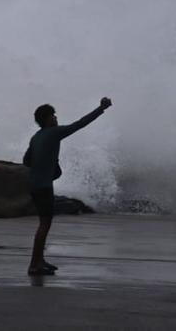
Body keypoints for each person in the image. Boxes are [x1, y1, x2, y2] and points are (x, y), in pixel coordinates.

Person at [22, 97, 112, 276]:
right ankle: (34, 264)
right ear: (47, 119)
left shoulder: (36, 137)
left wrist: (47, 163)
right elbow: (79, 124)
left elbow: (26, 160)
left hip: (35, 184)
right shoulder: (53, 133)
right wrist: (101, 108)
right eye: (53, 116)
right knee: (44, 224)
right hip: (43, 186)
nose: (56, 118)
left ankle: (40, 260)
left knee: (44, 223)